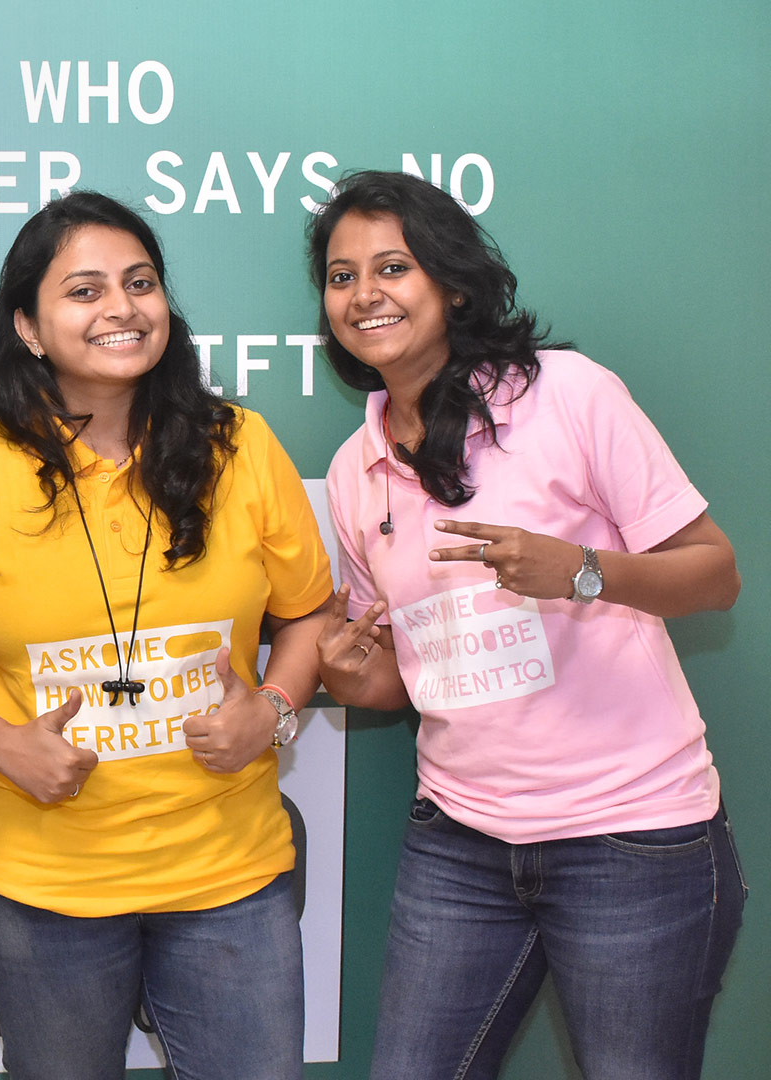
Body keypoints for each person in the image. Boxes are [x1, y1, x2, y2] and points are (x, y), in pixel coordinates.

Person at [308, 170, 745, 1080]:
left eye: (394, 267)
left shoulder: (570, 394)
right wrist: (353, 676)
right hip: (459, 841)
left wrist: (582, 571)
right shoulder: (355, 469)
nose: (365, 294)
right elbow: (405, 675)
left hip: (631, 837)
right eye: (342, 277)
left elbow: (715, 574)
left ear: (454, 285)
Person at [0, 191, 333, 1080]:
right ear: (28, 328)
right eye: (84, 290)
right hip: (39, 884)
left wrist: (274, 709)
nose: (121, 308)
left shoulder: (242, 446)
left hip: (229, 876)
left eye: (141, 284)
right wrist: (1, 744)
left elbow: (309, 615)